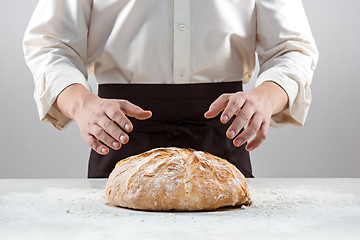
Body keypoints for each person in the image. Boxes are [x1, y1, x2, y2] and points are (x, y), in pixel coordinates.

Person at [23, 0, 318, 178]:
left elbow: (291, 49)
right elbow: (50, 44)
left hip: (223, 135)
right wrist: (82, 104)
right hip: (119, 136)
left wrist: (265, 98)